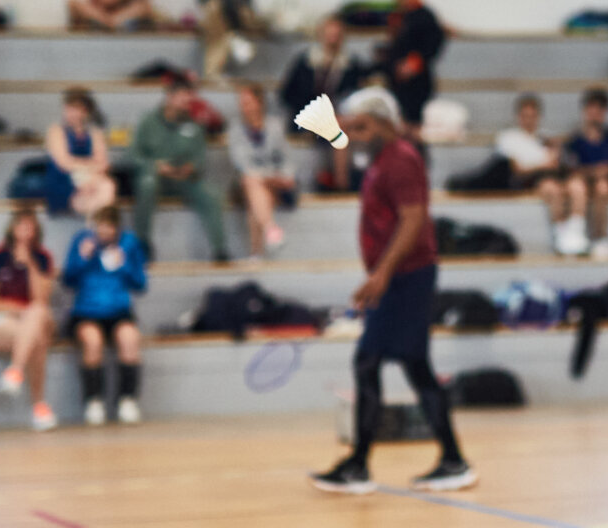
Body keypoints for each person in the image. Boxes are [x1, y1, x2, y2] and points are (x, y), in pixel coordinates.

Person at [311, 87, 473, 495]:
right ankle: (452, 460)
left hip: (407, 278)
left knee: (367, 361)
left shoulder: (400, 159)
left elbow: (413, 219)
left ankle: (360, 465)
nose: (356, 135)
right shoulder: (382, 159)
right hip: (400, 277)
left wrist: (382, 274)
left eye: (363, 126)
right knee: (416, 367)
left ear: (386, 123)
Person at [62, 205, 148, 426]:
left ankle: (127, 399)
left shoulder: (129, 243)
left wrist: (124, 265)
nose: (105, 232)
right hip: (86, 311)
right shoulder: (82, 241)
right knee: (92, 341)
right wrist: (83, 258)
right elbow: (68, 280)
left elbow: (140, 284)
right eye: (101, 226)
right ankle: (93, 400)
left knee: (129, 339)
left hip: (119, 311)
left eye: (110, 227)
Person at [131, 77, 228, 262]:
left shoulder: (195, 125)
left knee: (212, 194)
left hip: (183, 178)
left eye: (189, 97)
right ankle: (142, 243)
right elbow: (133, 155)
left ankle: (220, 249)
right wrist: (155, 165)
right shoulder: (148, 121)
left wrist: (191, 167)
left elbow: (200, 158)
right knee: (146, 184)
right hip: (156, 176)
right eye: (182, 97)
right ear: (169, 96)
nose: (186, 101)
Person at [0, 207, 58, 432]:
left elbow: (41, 298)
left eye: (30, 227)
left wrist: (30, 265)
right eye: (21, 226)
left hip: (37, 317)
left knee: (37, 312)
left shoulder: (43, 258)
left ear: (36, 231)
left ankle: (15, 371)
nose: (25, 231)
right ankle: (39, 406)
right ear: (12, 229)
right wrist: (19, 310)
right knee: (36, 338)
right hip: (4, 320)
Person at [281, 16, 359, 190]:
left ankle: (340, 183)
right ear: (321, 36)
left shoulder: (350, 65)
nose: (333, 41)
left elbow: (353, 95)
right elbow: (286, 95)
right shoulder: (305, 62)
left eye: (336, 36)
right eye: (329, 35)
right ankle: (339, 184)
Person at [495, 93, 582, 251]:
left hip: (552, 176)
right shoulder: (509, 138)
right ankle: (560, 233)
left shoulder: (547, 137)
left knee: (577, 185)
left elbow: (558, 165)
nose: (529, 120)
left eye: (533, 116)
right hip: (527, 180)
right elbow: (516, 170)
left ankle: (576, 230)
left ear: (539, 116)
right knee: (552, 188)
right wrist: (542, 166)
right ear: (518, 116)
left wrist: (557, 157)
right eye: (525, 116)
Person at [561, 86, 608, 260]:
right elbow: (570, 167)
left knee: (603, 188)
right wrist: (594, 171)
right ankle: (575, 232)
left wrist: (606, 171)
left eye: (600, 109)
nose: (596, 113)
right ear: (585, 111)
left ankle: (600, 238)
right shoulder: (575, 140)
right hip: (581, 181)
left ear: (605, 113)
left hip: (603, 183)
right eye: (592, 108)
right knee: (577, 186)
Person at [228, 82, 295, 258]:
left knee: (256, 195)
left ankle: (256, 253)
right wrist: (268, 177)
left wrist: (284, 176)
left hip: (273, 181)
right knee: (253, 183)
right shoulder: (236, 130)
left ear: (259, 103)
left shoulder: (275, 126)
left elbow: (286, 158)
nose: (244, 107)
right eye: (242, 103)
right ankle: (270, 229)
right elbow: (242, 163)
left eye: (248, 102)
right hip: (249, 182)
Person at [376, 0, 444, 139]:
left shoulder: (424, 15)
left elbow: (433, 43)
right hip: (397, 82)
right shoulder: (398, 16)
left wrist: (414, 63)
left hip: (416, 83)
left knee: (413, 129)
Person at [43, 88, 115, 217]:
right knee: (101, 192)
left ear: (86, 111)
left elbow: (104, 163)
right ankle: (100, 226)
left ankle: (96, 226)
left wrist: (90, 178)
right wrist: (89, 169)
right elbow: (64, 163)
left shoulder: (95, 133)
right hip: (64, 182)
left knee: (107, 186)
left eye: (76, 108)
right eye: (69, 108)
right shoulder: (56, 131)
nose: (71, 113)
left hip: (91, 180)